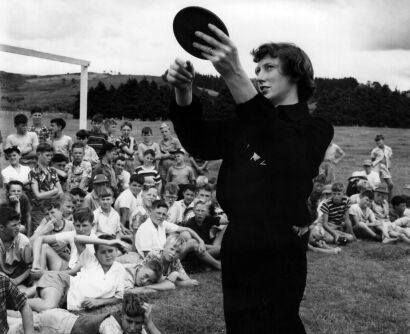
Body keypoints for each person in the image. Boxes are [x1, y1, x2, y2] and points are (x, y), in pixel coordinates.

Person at [166, 31, 333, 332]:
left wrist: (233, 73)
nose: (259, 76)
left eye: (269, 68)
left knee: (277, 324)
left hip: (279, 243)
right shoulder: (245, 119)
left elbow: (284, 150)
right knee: (241, 324)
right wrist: (183, 93)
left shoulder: (315, 127)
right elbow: (200, 142)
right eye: (256, 70)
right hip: (239, 239)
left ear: (296, 74)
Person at [29, 234, 128, 312]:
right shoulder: (91, 261)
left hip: (68, 302)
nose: (108, 255)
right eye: (103, 252)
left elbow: (119, 297)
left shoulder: (119, 269)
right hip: (62, 283)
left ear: (116, 251)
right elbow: (77, 238)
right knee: (48, 306)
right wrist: (108, 242)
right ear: (96, 254)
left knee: (43, 311)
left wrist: (99, 302)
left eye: (110, 251)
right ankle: (19, 301)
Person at [9, 292, 161, 334]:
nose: (134, 327)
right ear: (122, 315)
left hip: (67, 319)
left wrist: (149, 323)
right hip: (57, 325)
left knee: (17, 321)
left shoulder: (136, 323)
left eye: (138, 323)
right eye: (130, 322)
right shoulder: (111, 327)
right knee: (11, 329)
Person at [30, 208, 96, 277]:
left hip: (78, 275)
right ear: (74, 225)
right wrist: (36, 262)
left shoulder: (95, 242)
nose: (81, 229)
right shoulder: (73, 234)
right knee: (44, 247)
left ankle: (41, 279)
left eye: (84, 225)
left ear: (92, 225)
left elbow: (75, 272)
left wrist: (45, 273)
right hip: (68, 267)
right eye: (78, 226)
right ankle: (37, 282)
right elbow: (40, 238)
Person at [134, 200, 207, 260]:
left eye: (163, 214)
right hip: (155, 262)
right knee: (192, 242)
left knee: (187, 236)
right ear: (150, 212)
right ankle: (213, 263)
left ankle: (202, 261)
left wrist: (201, 241)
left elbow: (187, 229)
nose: (161, 216)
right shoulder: (146, 228)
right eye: (158, 213)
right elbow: (147, 255)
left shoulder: (162, 223)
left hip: (166, 255)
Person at [28, 143, 63, 236]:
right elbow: (38, 195)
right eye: (47, 155)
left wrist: (49, 194)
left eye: (51, 155)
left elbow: (61, 192)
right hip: (39, 211)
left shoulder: (52, 171)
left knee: (55, 235)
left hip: (53, 209)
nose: (50, 158)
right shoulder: (33, 172)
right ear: (39, 154)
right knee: (40, 235)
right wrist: (54, 191)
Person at [29, 199, 74, 270]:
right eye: (47, 214)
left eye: (52, 212)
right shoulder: (44, 225)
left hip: (61, 259)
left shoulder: (70, 225)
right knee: (44, 246)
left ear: (60, 211)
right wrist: (44, 231)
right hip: (45, 259)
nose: (50, 216)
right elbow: (28, 245)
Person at [0, 204, 32, 288]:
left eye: (19, 224)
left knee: (20, 294)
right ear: (1, 227)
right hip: (2, 277)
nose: (18, 227)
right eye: (14, 225)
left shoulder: (24, 242)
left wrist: (17, 281)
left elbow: (30, 267)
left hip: (18, 278)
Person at [371, 134, 393, 200]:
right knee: (377, 185)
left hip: (385, 168)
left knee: (391, 185)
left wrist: (389, 168)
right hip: (377, 168)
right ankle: (375, 199)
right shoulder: (374, 151)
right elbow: (373, 161)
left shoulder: (388, 149)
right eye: (377, 142)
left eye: (380, 141)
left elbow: (389, 159)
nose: (378, 143)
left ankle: (389, 200)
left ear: (383, 141)